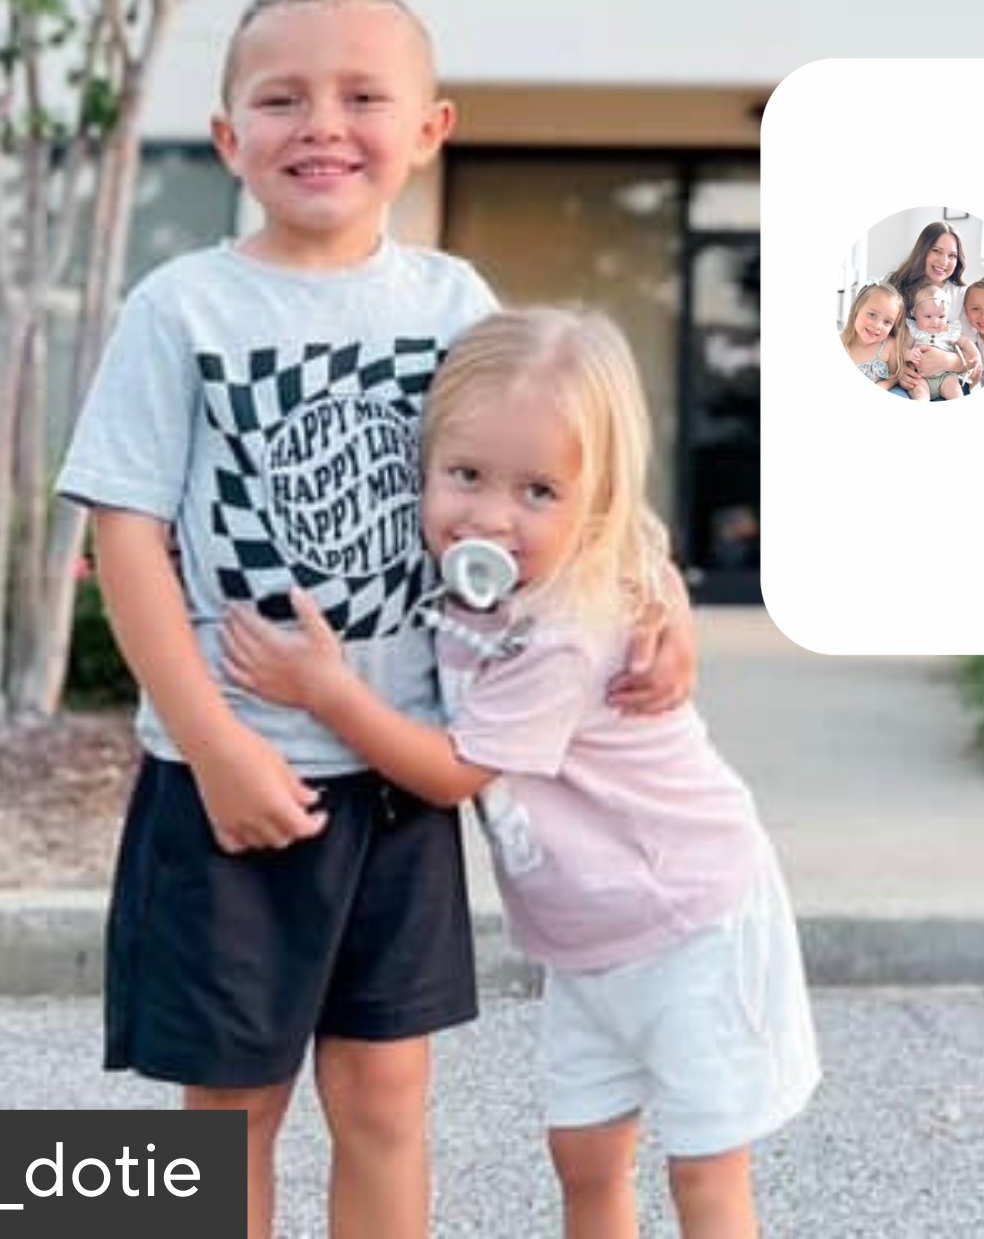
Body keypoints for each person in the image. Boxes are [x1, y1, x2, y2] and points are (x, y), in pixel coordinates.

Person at [58, 0, 695, 1239]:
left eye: (362, 96)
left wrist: (657, 584)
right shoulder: (182, 309)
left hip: (396, 769)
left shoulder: (453, 302)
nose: (323, 124)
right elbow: (127, 538)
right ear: (230, 136)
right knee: (232, 1108)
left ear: (428, 131)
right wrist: (218, 744)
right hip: (231, 782)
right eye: (282, 98)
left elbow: (566, 469)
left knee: (388, 1091)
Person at [223, 307, 819, 1239]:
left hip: (690, 920)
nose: (492, 516)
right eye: (466, 476)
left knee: (704, 1167)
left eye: (540, 491)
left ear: (595, 502)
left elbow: (457, 774)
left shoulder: (563, 631)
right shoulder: (474, 584)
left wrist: (327, 693)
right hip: (589, 941)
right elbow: (639, 542)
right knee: (583, 1158)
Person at [885, 223, 973, 398]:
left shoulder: (963, 295)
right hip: (907, 378)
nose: (944, 262)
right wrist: (898, 370)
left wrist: (947, 361)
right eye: (936, 251)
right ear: (922, 251)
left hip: (949, 378)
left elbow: (973, 355)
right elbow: (882, 338)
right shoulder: (897, 287)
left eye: (952, 255)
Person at [897, 279, 979, 402]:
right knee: (920, 396)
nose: (935, 322)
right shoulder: (913, 331)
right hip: (920, 378)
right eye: (928, 316)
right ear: (915, 313)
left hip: (945, 376)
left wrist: (977, 356)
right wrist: (908, 354)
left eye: (941, 316)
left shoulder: (949, 330)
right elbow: (901, 348)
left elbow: (966, 342)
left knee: (956, 391)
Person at [837, 280, 907, 390]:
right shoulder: (842, 342)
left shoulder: (890, 346)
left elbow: (893, 377)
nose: (878, 325)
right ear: (857, 310)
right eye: (872, 315)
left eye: (887, 322)